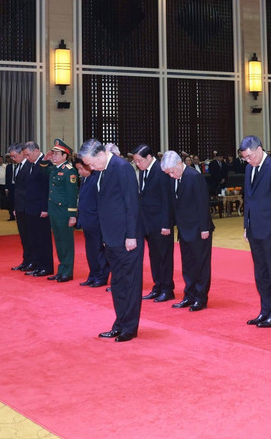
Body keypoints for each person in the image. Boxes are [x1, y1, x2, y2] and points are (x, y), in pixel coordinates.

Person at [80, 139, 143, 342]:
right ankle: (119, 323)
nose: (90, 167)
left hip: (127, 238)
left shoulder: (121, 167)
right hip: (111, 237)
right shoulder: (102, 170)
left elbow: (131, 203)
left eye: (90, 162)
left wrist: (131, 236)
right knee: (117, 283)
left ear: (99, 155)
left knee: (129, 283)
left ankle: (129, 328)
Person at [240, 135, 271, 328]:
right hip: (254, 229)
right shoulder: (249, 168)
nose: (248, 160)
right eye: (245, 158)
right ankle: (265, 309)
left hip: (270, 229)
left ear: (259, 149)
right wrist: (246, 224)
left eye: (250, 156)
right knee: (260, 272)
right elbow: (248, 199)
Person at [160, 151, 214, 312]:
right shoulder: (173, 179)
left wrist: (205, 228)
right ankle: (189, 295)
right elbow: (171, 204)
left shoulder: (194, 177)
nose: (170, 175)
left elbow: (203, 203)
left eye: (171, 171)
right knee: (188, 264)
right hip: (184, 229)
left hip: (199, 229)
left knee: (200, 265)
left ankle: (200, 298)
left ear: (178, 164)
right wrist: (168, 224)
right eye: (168, 173)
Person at [131, 144, 176, 303]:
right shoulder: (144, 171)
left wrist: (166, 224)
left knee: (164, 257)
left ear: (149, 157)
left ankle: (167, 289)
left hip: (161, 224)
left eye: (139, 160)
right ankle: (157, 286)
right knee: (154, 257)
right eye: (135, 161)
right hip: (147, 223)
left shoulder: (161, 171)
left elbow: (167, 200)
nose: (137, 164)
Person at [74, 158, 110, 288]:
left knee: (98, 250)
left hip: (95, 221)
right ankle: (93, 274)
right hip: (86, 221)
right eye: (78, 169)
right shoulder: (84, 179)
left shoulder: (96, 179)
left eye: (82, 168)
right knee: (90, 251)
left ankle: (102, 275)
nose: (80, 171)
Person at [46, 139, 78, 282]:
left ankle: (68, 271)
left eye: (57, 154)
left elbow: (72, 195)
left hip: (64, 212)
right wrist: (45, 159)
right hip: (54, 210)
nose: (53, 156)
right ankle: (61, 269)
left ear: (65, 156)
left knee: (66, 242)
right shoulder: (54, 169)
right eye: (53, 153)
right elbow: (41, 169)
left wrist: (72, 215)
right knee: (58, 241)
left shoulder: (69, 171)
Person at [21, 141, 53, 277]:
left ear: (36, 151)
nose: (27, 157)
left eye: (28, 155)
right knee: (34, 239)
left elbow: (47, 188)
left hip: (41, 209)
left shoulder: (45, 163)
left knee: (43, 239)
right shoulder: (31, 164)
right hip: (31, 208)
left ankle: (46, 266)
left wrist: (45, 208)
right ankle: (38, 265)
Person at [4, 154, 16, 220]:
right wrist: (6, 188)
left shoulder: (20, 166)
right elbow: (7, 177)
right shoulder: (8, 167)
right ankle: (11, 216)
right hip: (10, 186)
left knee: (17, 201)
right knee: (10, 201)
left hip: (18, 186)